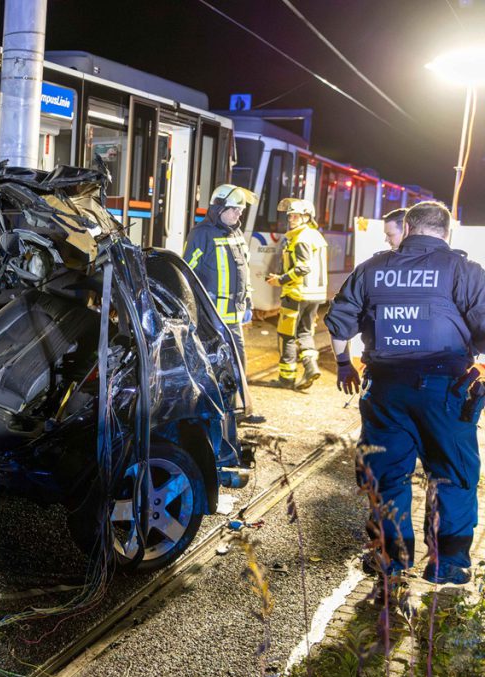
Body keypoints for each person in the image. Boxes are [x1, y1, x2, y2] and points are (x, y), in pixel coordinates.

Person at [325, 201, 485, 585]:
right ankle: (447, 564)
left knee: (386, 475)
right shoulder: (464, 271)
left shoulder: (373, 268)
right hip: (446, 392)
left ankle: (390, 559)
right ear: (447, 231)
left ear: (408, 227)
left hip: (385, 391)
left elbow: (339, 325)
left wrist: (344, 364)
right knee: (452, 474)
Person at [183, 184, 257, 364]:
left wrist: (248, 303)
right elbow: (186, 273)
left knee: (238, 363)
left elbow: (244, 272)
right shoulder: (201, 234)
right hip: (211, 318)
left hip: (234, 317)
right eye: (235, 209)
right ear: (219, 208)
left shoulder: (236, 233)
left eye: (240, 210)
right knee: (214, 365)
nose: (239, 214)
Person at [265, 198, 328, 390]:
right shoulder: (316, 236)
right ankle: (311, 367)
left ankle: (286, 379)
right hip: (315, 295)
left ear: (307, 217)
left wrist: (280, 280)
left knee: (287, 335)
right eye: (290, 215)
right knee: (305, 333)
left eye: (296, 216)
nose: (291, 219)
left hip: (296, 294)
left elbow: (303, 268)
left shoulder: (301, 239)